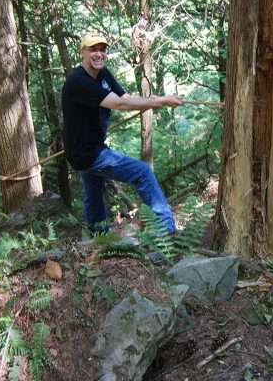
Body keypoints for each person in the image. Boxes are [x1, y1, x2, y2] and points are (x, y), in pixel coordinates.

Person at [62, 32, 183, 235]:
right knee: (142, 172)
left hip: (91, 147)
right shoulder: (78, 82)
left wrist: (156, 100)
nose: (99, 54)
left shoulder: (102, 74)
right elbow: (120, 104)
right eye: (93, 49)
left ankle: (98, 236)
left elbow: (124, 96)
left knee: (93, 188)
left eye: (102, 49)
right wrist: (161, 101)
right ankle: (166, 232)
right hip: (86, 152)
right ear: (82, 52)